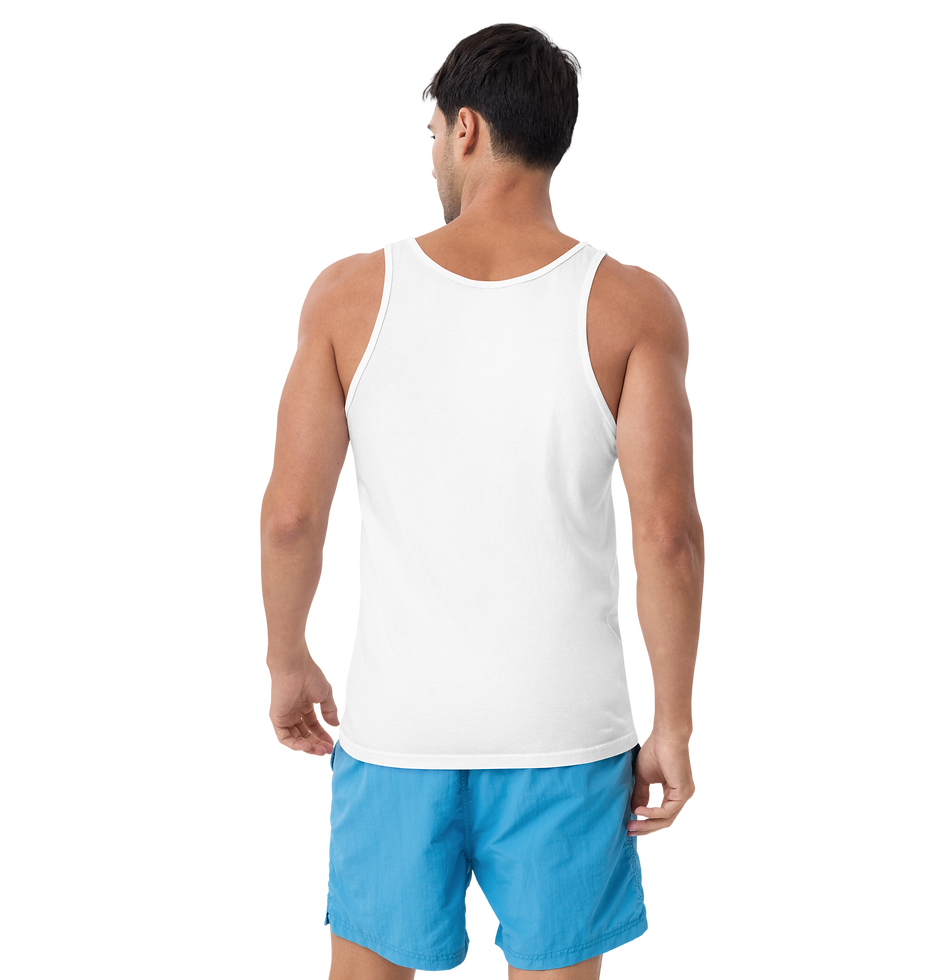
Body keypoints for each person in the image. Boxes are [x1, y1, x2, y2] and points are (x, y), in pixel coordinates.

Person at [256, 17, 706, 980]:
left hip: (397, 731)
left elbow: (291, 516)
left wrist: (287, 659)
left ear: (466, 128)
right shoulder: (635, 303)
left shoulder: (346, 293)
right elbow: (669, 536)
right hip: (567, 733)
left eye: (431, 135)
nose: (431, 155)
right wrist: (673, 724)